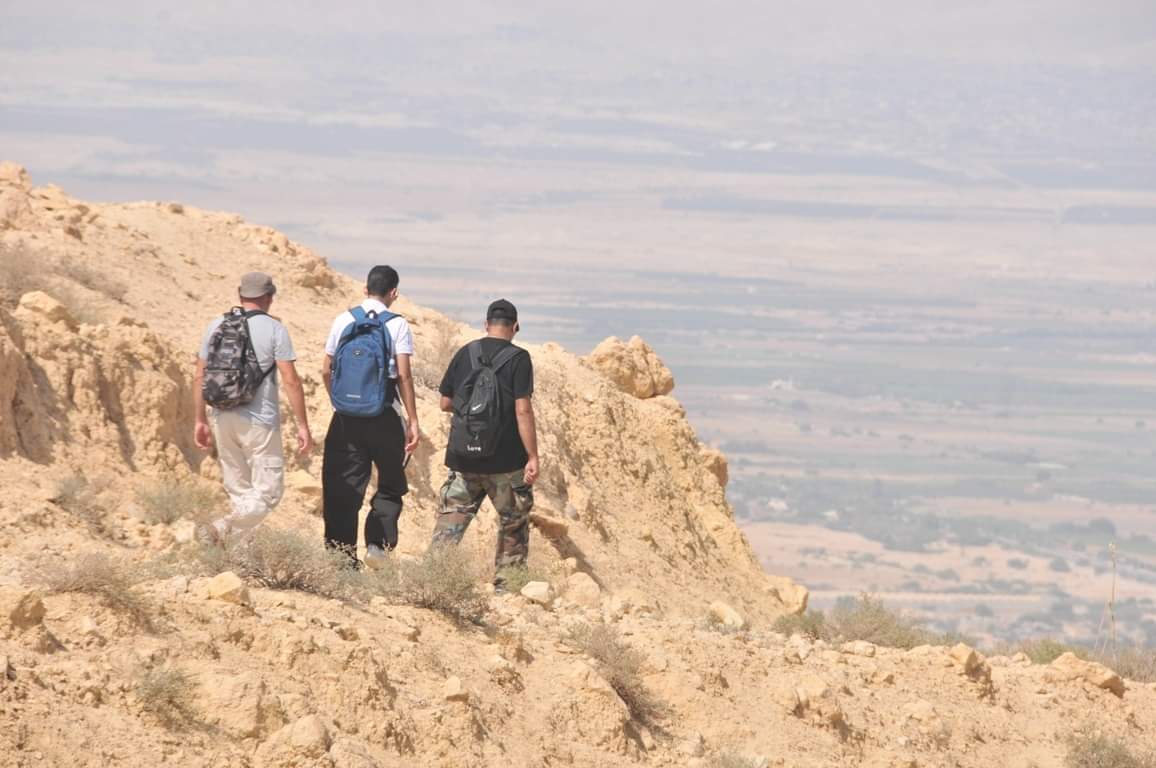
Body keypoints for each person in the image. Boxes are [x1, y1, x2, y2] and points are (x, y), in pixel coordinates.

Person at [192, 271, 313, 542]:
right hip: (259, 421)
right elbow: (291, 380)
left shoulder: (215, 325)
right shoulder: (275, 329)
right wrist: (302, 425)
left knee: (241, 493)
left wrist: (199, 419)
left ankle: (238, 556)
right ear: (269, 297)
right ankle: (221, 527)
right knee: (269, 494)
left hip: (221, 417)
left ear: (240, 295)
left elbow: (199, 376)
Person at [431, 299, 539, 592]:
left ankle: (432, 579)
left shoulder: (465, 352)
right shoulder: (519, 359)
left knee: (451, 519)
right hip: (506, 462)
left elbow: (445, 403)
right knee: (513, 520)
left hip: (463, 458)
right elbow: (523, 410)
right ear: (515, 327)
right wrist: (532, 455)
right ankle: (507, 587)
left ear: (486, 325)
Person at [321, 265, 420, 568]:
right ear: (394, 293)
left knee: (342, 486)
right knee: (390, 482)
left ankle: (341, 559)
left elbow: (325, 369)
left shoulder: (344, 319)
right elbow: (403, 375)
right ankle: (377, 545)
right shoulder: (397, 324)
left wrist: (340, 402)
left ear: (365, 289)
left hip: (345, 418)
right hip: (385, 415)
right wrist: (413, 420)